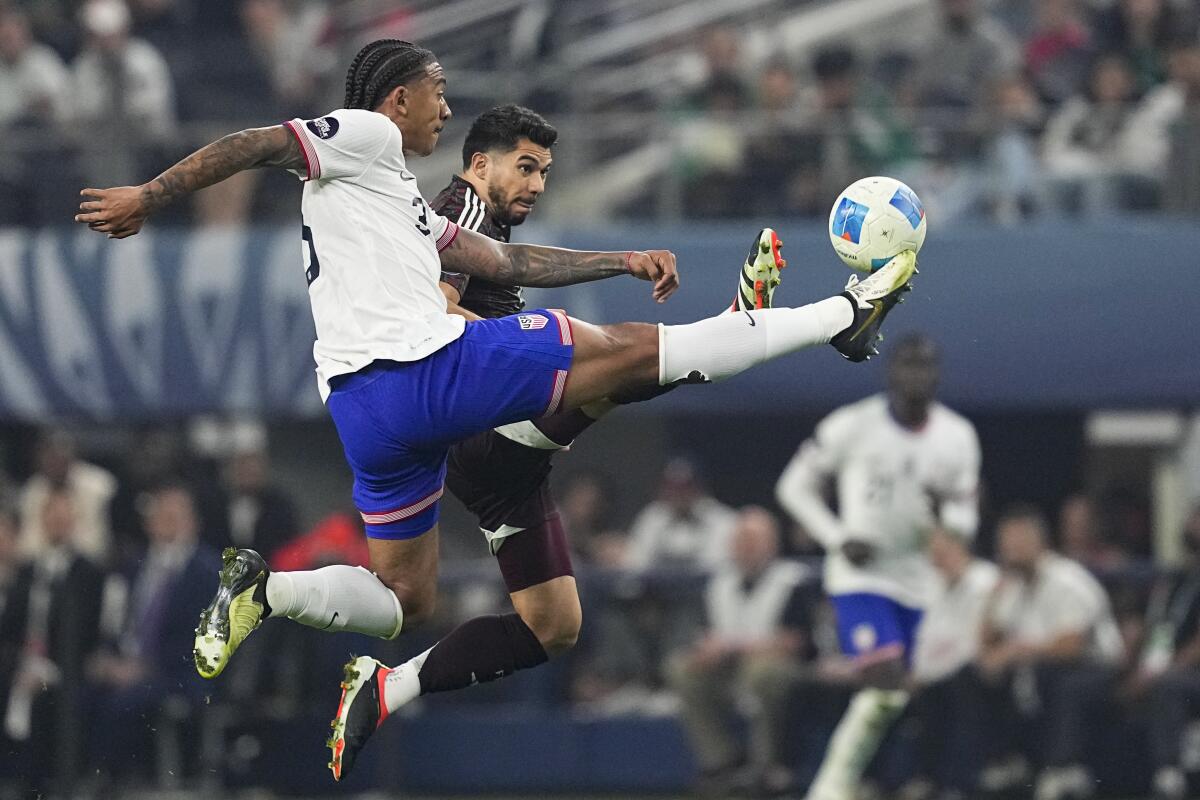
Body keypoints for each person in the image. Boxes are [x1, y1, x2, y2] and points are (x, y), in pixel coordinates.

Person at [74, 39, 919, 780]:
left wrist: (617, 257)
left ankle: (279, 598)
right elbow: (262, 142)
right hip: (430, 374)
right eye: (438, 90)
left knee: (427, 601)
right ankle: (843, 317)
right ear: (397, 99)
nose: (446, 105)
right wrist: (150, 197)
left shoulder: (398, 201)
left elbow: (504, 258)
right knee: (619, 360)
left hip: (367, 410)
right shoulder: (368, 136)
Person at [775, 333, 980, 800]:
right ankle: (831, 787)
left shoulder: (957, 437)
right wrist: (837, 537)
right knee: (884, 683)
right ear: (889, 373)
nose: (916, 376)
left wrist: (947, 520)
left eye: (926, 366)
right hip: (860, 578)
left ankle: (889, 781)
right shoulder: (853, 425)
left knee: (904, 696)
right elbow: (793, 487)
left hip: (921, 582)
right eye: (907, 365)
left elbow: (966, 519)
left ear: (938, 375)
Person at [666, 506, 818, 797]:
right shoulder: (719, 583)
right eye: (740, 539)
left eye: (753, 539)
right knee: (682, 669)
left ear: (771, 544)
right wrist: (705, 651)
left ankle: (765, 767)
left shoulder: (792, 580)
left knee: (762, 672)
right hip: (728, 668)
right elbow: (703, 635)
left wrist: (735, 647)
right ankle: (721, 761)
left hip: (783, 670)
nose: (745, 547)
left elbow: (797, 642)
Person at [977, 504, 1124, 800]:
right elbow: (988, 640)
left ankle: (1063, 766)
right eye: (1006, 545)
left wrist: (1015, 651)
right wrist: (995, 594)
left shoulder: (1067, 579)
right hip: (1043, 668)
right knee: (982, 674)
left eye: (1017, 544)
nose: (1010, 551)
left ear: (1039, 542)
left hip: (1098, 669)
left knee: (1054, 677)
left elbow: (1072, 646)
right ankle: (1009, 759)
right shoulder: (1015, 585)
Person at [903, 527, 999, 799]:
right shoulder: (930, 585)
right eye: (933, 555)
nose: (937, 560)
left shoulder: (986, 580)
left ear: (961, 549)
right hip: (936, 674)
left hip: (974, 671)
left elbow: (974, 642)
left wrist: (928, 673)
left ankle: (958, 783)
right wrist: (917, 672)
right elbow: (925, 638)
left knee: (958, 686)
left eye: (943, 553)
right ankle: (923, 778)